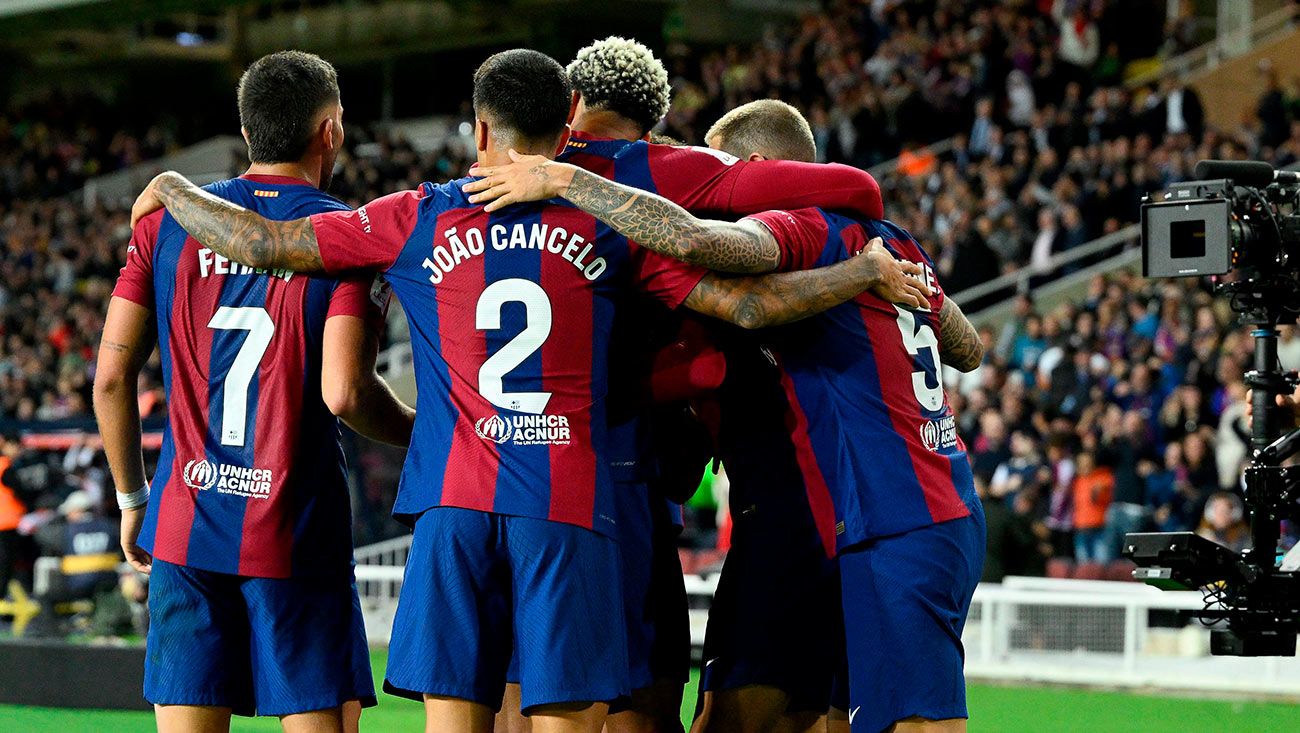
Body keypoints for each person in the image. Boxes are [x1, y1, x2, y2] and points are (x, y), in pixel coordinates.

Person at [128, 49, 925, 733]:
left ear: (478, 129)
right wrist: (858, 270)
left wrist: (174, 189)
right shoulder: (616, 219)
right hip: (572, 506)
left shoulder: (415, 215)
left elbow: (266, 244)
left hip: (454, 504)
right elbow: (749, 303)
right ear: (567, 122)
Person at [467, 100, 988, 733]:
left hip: (866, 514)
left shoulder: (804, 231)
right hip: (928, 507)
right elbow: (969, 348)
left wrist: (566, 179)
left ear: (761, 168)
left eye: (726, 173)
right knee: (839, 712)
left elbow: (698, 243)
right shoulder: (895, 243)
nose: (717, 188)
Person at [94, 51, 413, 733]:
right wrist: (429, 430)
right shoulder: (348, 239)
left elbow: (112, 377)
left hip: (184, 524)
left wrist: (131, 498)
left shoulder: (166, 223)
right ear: (329, 131)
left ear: (248, 129)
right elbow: (347, 393)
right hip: (295, 528)